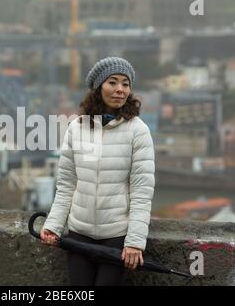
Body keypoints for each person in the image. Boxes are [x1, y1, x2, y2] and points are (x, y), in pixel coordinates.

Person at [40, 57, 155, 286]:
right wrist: (53, 225)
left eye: (125, 84)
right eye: (113, 82)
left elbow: (141, 192)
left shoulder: (138, 131)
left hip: (115, 237)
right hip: (78, 235)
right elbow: (67, 184)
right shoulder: (77, 128)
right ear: (98, 86)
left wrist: (134, 242)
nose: (120, 90)